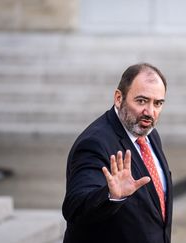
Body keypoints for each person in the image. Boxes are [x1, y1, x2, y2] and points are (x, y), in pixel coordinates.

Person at [62, 63, 173, 243]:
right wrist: (111, 196)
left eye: (158, 103)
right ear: (118, 98)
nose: (150, 112)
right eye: (141, 101)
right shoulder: (95, 143)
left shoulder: (150, 135)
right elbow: (75, 208)